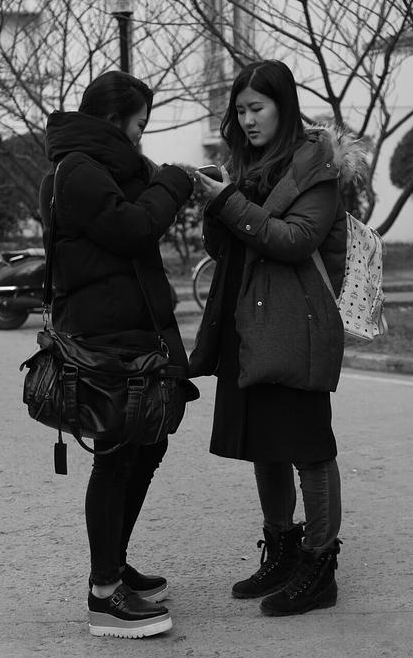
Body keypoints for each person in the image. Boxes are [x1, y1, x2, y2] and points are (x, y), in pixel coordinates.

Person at [40, 70, 195, 639]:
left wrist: (164, 179)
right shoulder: (79, 170)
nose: (140, 137)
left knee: (147, 445)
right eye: (138, 125)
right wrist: (173, 182)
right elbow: (132, 229)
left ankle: (114, 564)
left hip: (131, 335)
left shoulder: (104, 168)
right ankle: (104, 597)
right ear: (112, 120)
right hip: (106, 342)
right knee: (117, 456)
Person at [189, 59, 347, 617]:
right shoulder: (247, 166)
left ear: (285, 106)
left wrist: (228, 202)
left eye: (257, 108)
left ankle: (319, 566)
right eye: (240, 111)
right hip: (247, 321)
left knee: (308, 446)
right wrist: (214, 205)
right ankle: (281, 551)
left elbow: (296, 240)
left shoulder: (316, 167)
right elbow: (225, 248)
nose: (248, 120)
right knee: (265, 443)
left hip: (295, 325)